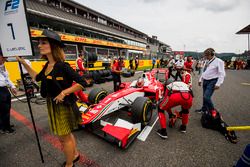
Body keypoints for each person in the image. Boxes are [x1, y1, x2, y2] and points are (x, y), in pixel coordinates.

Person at [16, 29, 85, 167]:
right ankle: (75, 154)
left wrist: (64, 92)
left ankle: (70, 164)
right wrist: (24, 63)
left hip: (63, 105)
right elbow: (37, 77)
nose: (39, 46)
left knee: (64, 138)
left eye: (43, 42)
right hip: (52, 104)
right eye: (39, 43)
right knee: (65, 136)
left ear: (53, 46)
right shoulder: (48, 65)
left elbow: (82, 83)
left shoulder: (62, 66)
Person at [195, 48, 226, 114]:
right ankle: (204, 109)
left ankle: (213, 111)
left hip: (213, 81)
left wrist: (218, 83)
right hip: (205, 80)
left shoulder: (219, 61)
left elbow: (222, 73)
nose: (205, 57)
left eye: (206, 55)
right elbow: (204, 71)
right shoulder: (207, 61)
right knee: (204, 97)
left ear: (212, 54)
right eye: (205, 55)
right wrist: (200, 79)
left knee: (206, 97)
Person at [0, 48, 17, 133]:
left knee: (7, 108)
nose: (5, 60)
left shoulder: (3, 66)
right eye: (3, 58)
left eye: (6, 58)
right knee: (4, 109)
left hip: (4, 89)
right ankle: (5, 128)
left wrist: (12, 87)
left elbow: (7, 78)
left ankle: (6, 124)